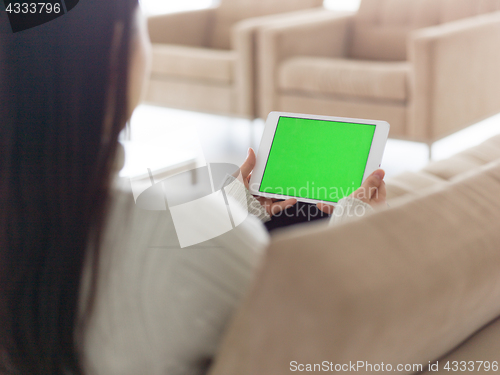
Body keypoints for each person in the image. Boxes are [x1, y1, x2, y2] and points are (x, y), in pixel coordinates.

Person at [0, 1, 387, 374]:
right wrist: (354, 230)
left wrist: (237, 208)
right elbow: (321, 346)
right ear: (117, 55)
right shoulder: (195, 241)